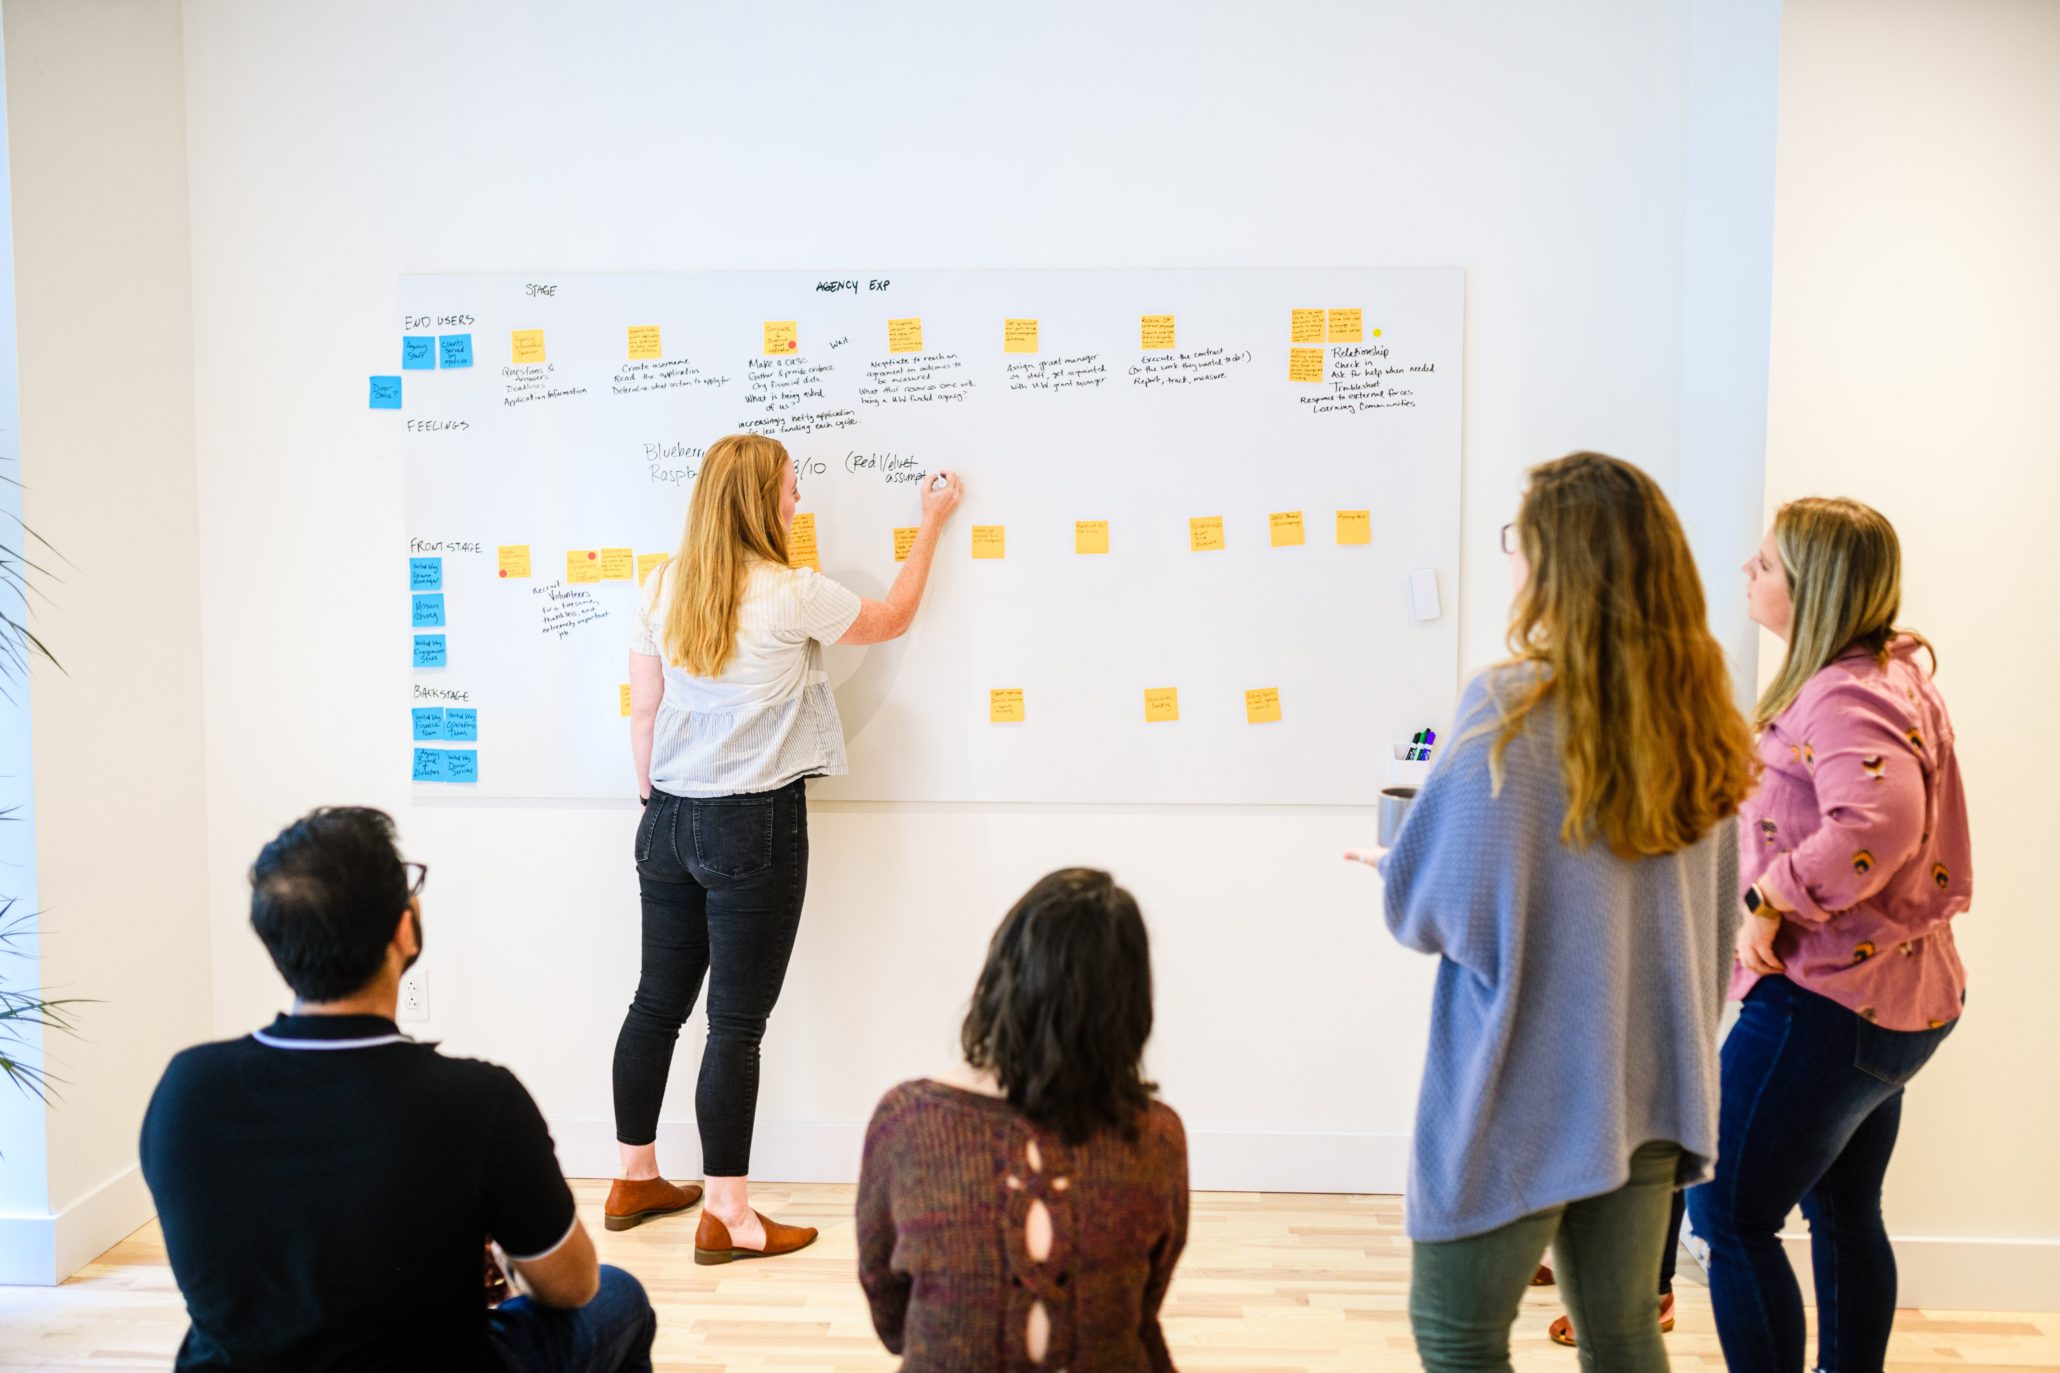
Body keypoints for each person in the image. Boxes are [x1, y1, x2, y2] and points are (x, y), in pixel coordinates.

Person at [1350, 452, 1758, 1373]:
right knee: (1622, 1337)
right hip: (1651, 1082)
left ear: (1552, 562)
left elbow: (1423, 908)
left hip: (1522, 1090)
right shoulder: (1703, 722)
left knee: (1457, 1334)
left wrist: (1398, 861)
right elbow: (1708, 905)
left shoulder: (1510, 708)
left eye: (1518, 541)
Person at [608, 432, 963, 1258]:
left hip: (663, 818)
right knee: (733, 1024)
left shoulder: (660, 586)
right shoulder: (789, 593)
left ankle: (633, 1175)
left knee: (655, 1004)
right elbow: (895, 617)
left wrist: (655, 798)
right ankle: (729, 1217)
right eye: (792, 489)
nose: (800, 502)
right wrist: (932, 520)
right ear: (760, 502)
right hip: (750, 823)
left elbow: (643, 711)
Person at [140, 807, 654, 1373]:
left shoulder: (186, 1089)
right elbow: (572, 1286)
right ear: (404, 929)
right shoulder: (476, 1100)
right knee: (617, 1296)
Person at [1688, 498, 1970, 1373]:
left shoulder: (1843, 691)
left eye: (1766, 563)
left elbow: (1879, 820)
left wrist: (1771, 900)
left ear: (1814, 589)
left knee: (1727, 1213)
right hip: (1896, 999)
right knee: (1846, 1208)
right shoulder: (1889, 673)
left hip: (1829, 1001)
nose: (1747, 572)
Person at [856, 868, 1189, 1372]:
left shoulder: (906, 1121)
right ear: (1130, 1004)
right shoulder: (1156, 1135)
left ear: (1002, 974)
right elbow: (1143, 1299)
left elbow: (888, 1306)